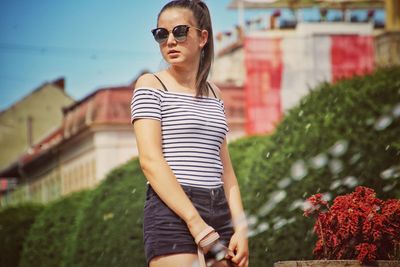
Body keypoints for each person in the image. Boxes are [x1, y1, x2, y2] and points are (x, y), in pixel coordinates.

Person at [130, 1, 249, 266]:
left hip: (219, 208)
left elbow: (226, 169)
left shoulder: (215, 93)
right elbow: (150, 161)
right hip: (172, 211)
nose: (170, 40)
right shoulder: (151, 84)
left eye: (180, 31)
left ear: (203, 37)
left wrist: (241, 227)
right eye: (162, 34)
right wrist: (195, 223)